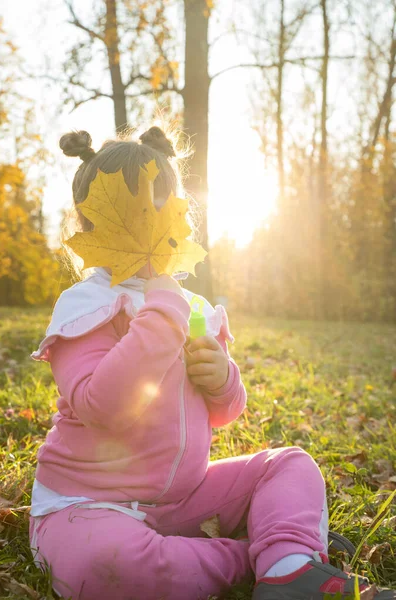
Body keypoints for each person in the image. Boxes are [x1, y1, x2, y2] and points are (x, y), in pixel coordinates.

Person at [29, 127, 395, 600]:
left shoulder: (192, 304)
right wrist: (162, 311)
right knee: (101, 566)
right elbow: (105, 408)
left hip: (185, 496)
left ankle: (284, 568)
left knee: (288, 465)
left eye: (164, 208)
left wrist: (223, 379)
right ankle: (259, 557)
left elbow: (224, 410)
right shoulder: (88, 304)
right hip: (89, 506)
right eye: (135, 211)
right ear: (90, 221)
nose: (151, 224)